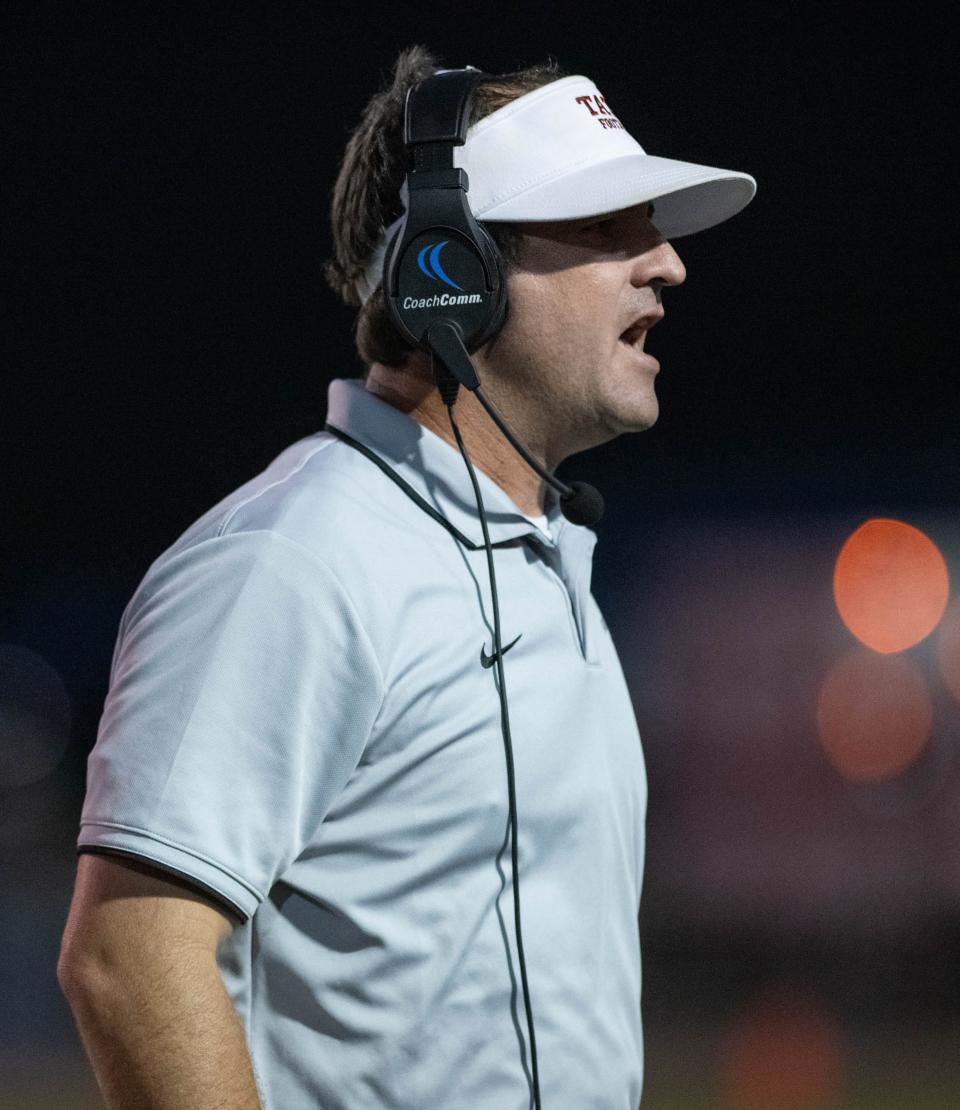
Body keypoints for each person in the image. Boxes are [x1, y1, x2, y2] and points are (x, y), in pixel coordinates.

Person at [57, 45, 756, 1110]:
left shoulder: (539, 559)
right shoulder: (291, 560)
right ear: (449, 266)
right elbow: (126, 956)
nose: (665, 265)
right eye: (609, 226)